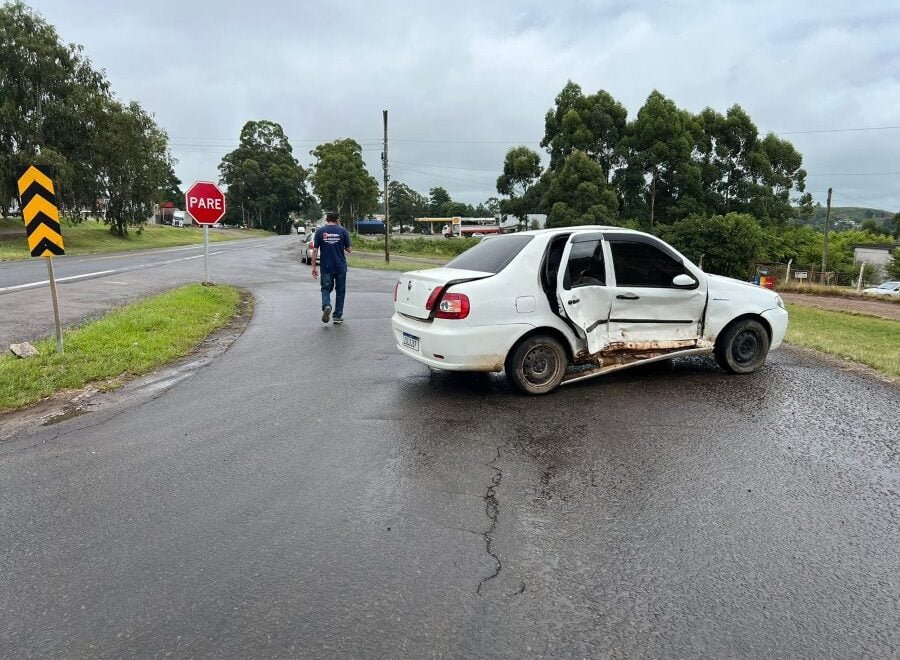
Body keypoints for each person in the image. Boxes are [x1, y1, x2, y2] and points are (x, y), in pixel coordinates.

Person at [310, 212, 352, 324]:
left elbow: (315, 251)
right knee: (340, 291)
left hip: (326, 266)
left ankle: (326, 305)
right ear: (337, 220)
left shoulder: (320, 232)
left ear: (327, 220)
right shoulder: (343, 231)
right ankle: (338, 316)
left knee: (325, 288)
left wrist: (313, 267)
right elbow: (349, 249)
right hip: (340, 266)